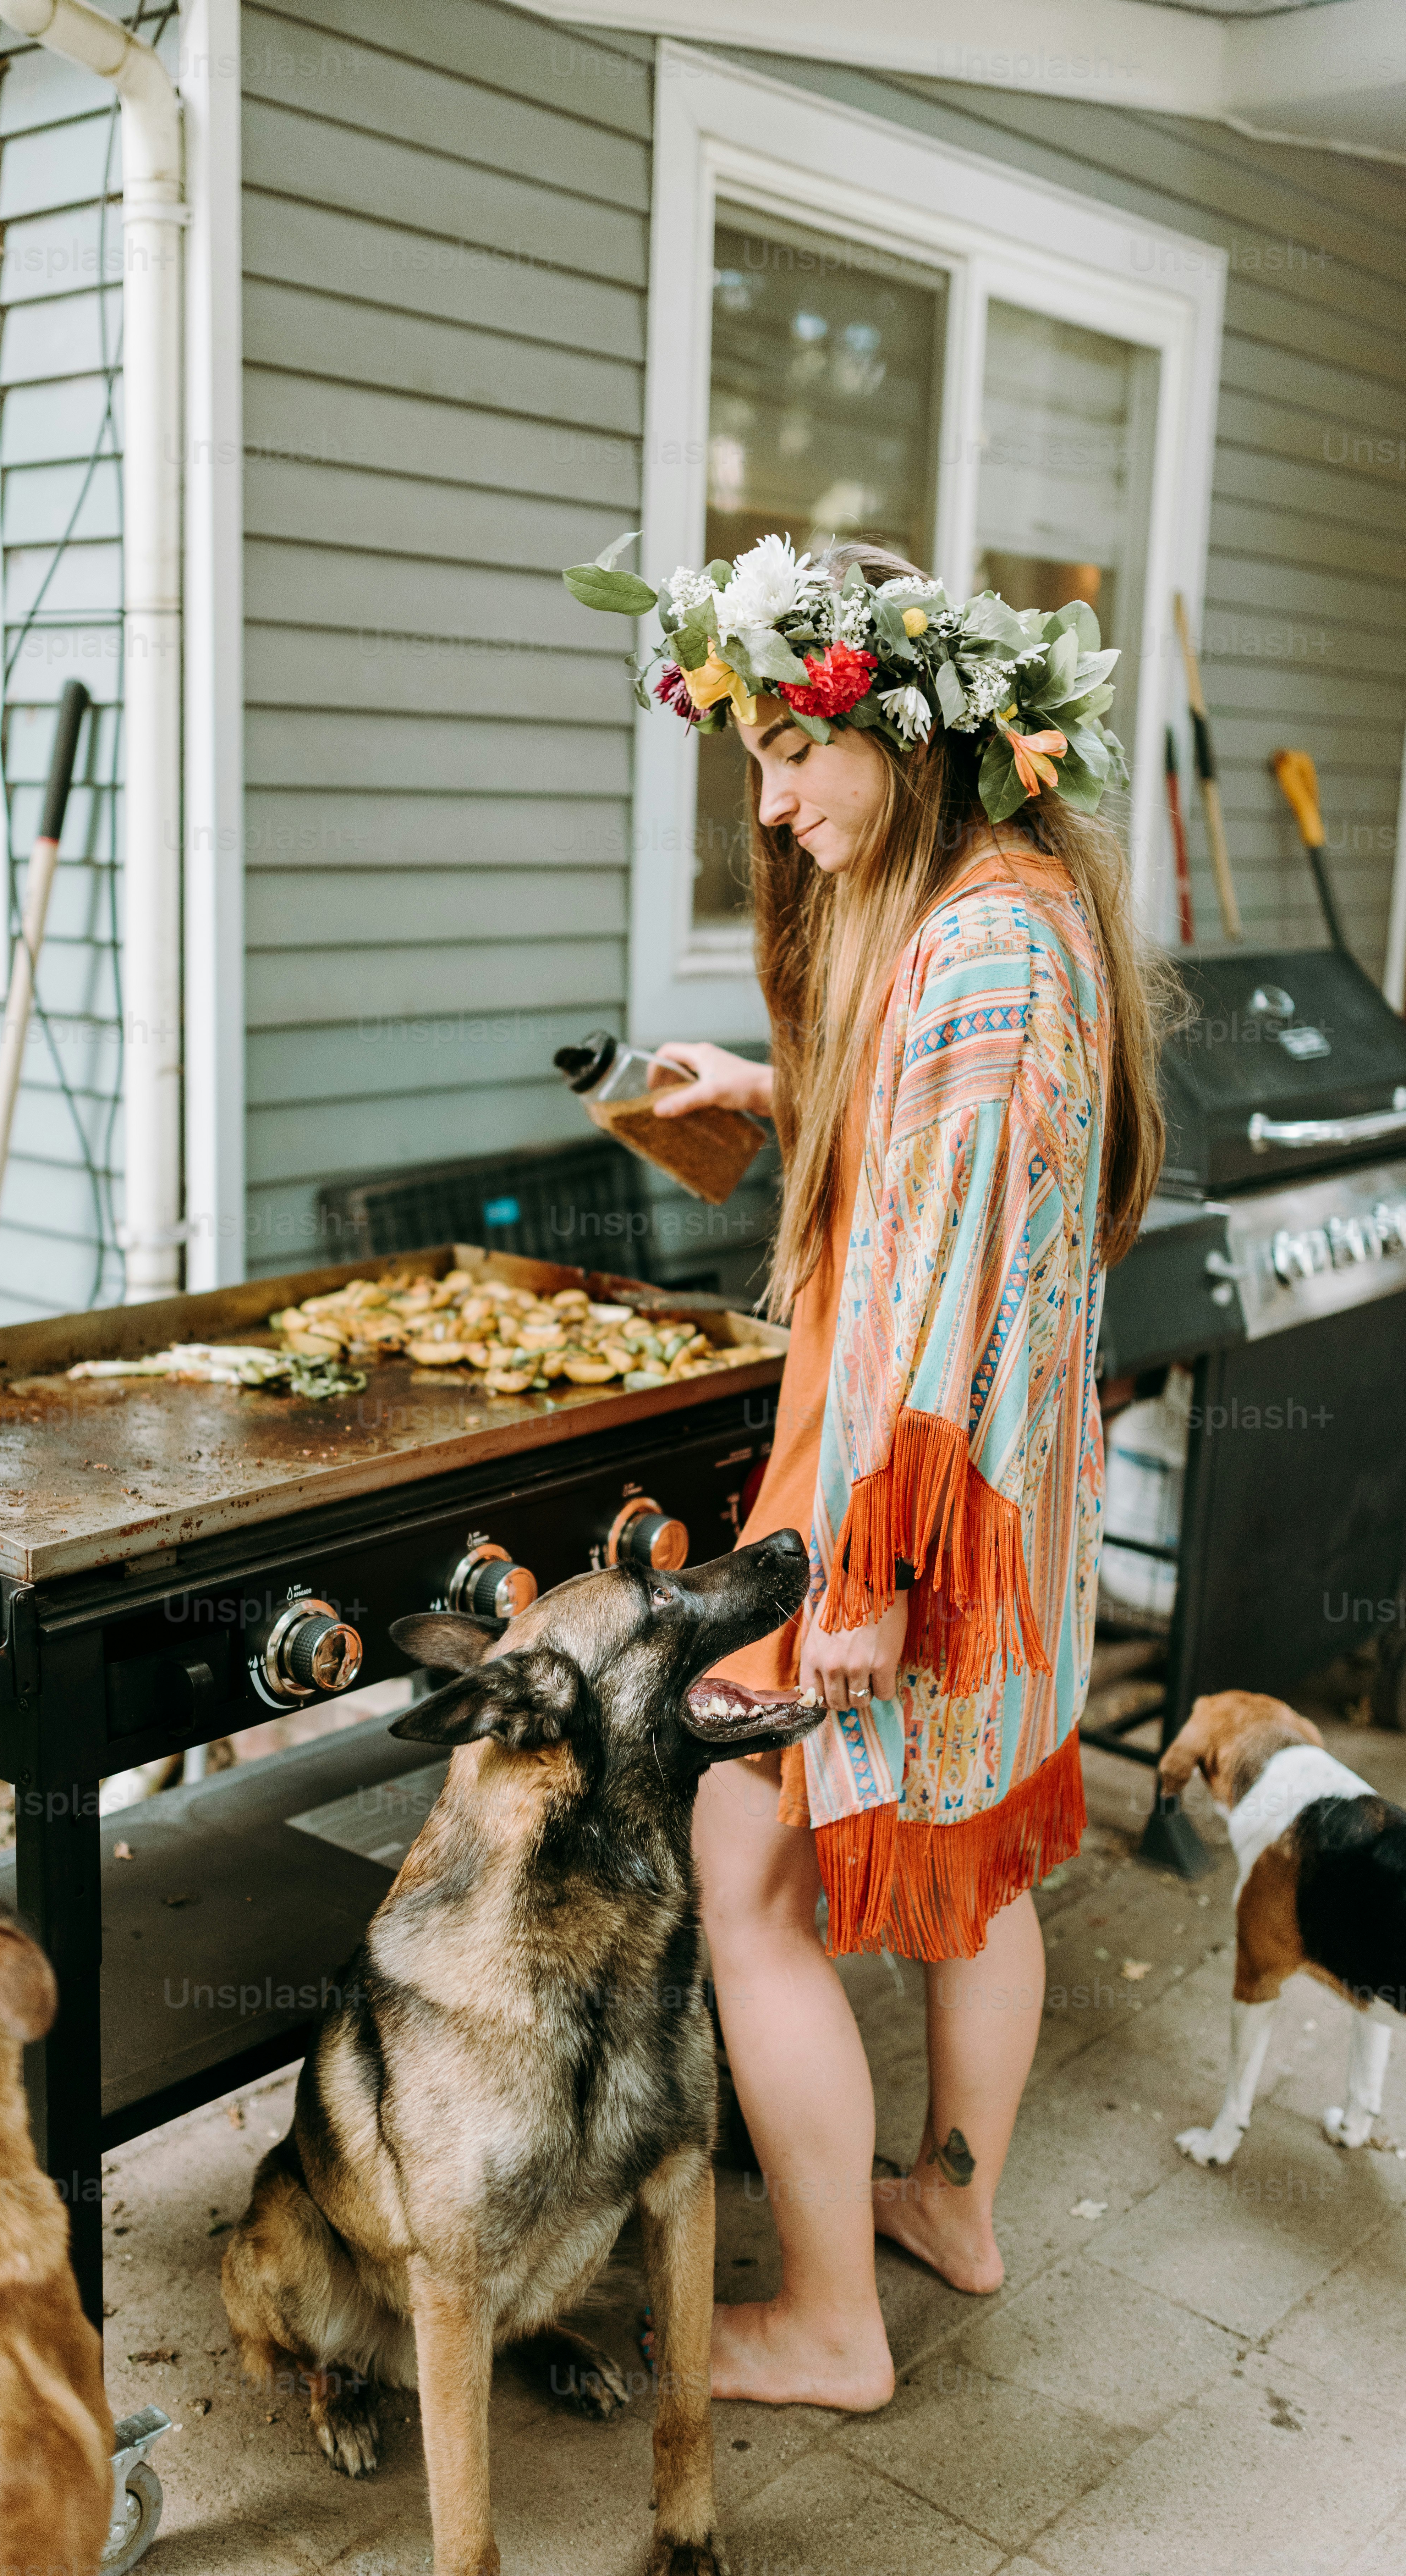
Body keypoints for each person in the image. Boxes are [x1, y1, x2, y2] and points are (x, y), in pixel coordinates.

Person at [600, 534, 1169, 2409]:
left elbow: (940, 1297)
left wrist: (856, 1589)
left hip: (910, 1526)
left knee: (744, 1868)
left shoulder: (989, 946)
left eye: (787, 755)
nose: (770, 805)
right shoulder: (987, 912)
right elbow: (935, 1167)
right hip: (994, 1527)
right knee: (972, 1877)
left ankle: (834, 2324)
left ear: (895, 731)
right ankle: (954, 2207)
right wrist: (772, 1103)